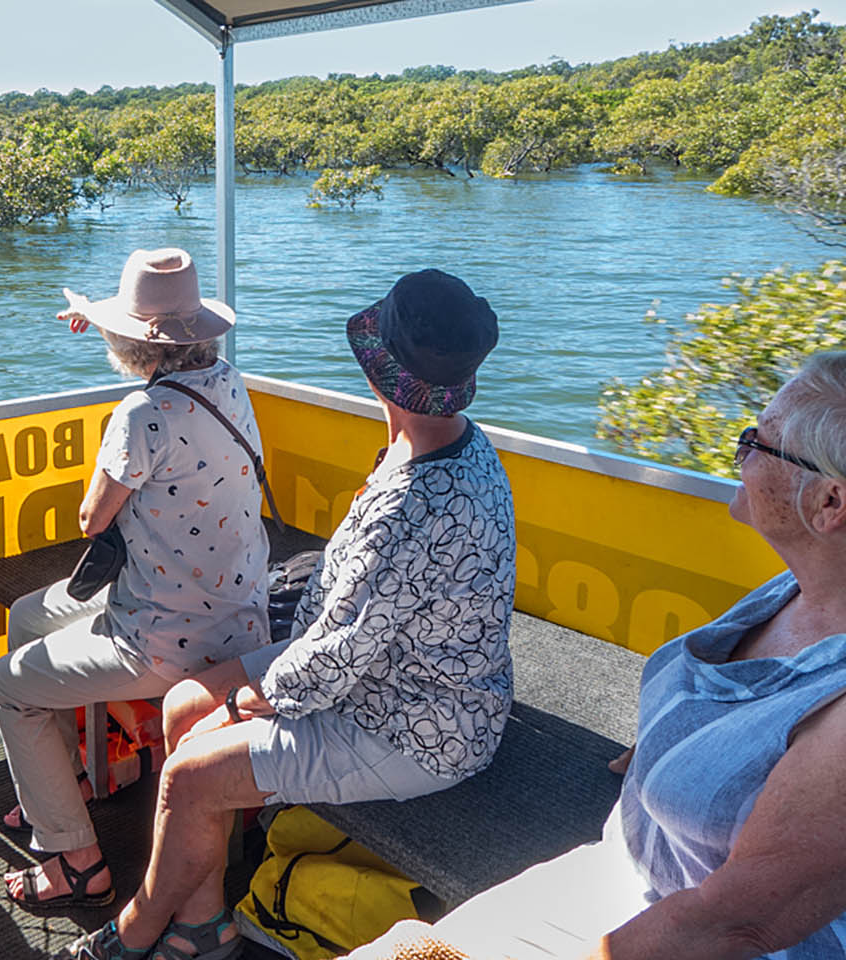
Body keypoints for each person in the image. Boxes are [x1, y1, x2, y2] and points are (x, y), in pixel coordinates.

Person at [352, 351, 846, 960]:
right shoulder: (836, 579)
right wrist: (668, 747)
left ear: (830, 502)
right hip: (643, 877)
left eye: (754, 443)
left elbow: (729, 928)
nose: (738, 454)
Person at [62, 268, 518, 960]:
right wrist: (234, 699)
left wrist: (247, 705)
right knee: (184, 703)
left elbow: (336, 658)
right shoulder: (450, 441)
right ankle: (203, 923)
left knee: (189, 773)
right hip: (376, 672)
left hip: (417, 723)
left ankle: (140, 931)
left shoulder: (413, 502)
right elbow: (348, 633)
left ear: (378, 369)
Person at [0, 247, 272, 910]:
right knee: (28, 616)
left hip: (162, 638)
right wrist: (97, 315)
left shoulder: (139, 415)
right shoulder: (228, 380)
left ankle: (77, 861)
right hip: (239, 616)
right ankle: (66, 787)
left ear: (134, 340)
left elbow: (93, 519)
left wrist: (111, 330)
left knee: (5, 685)